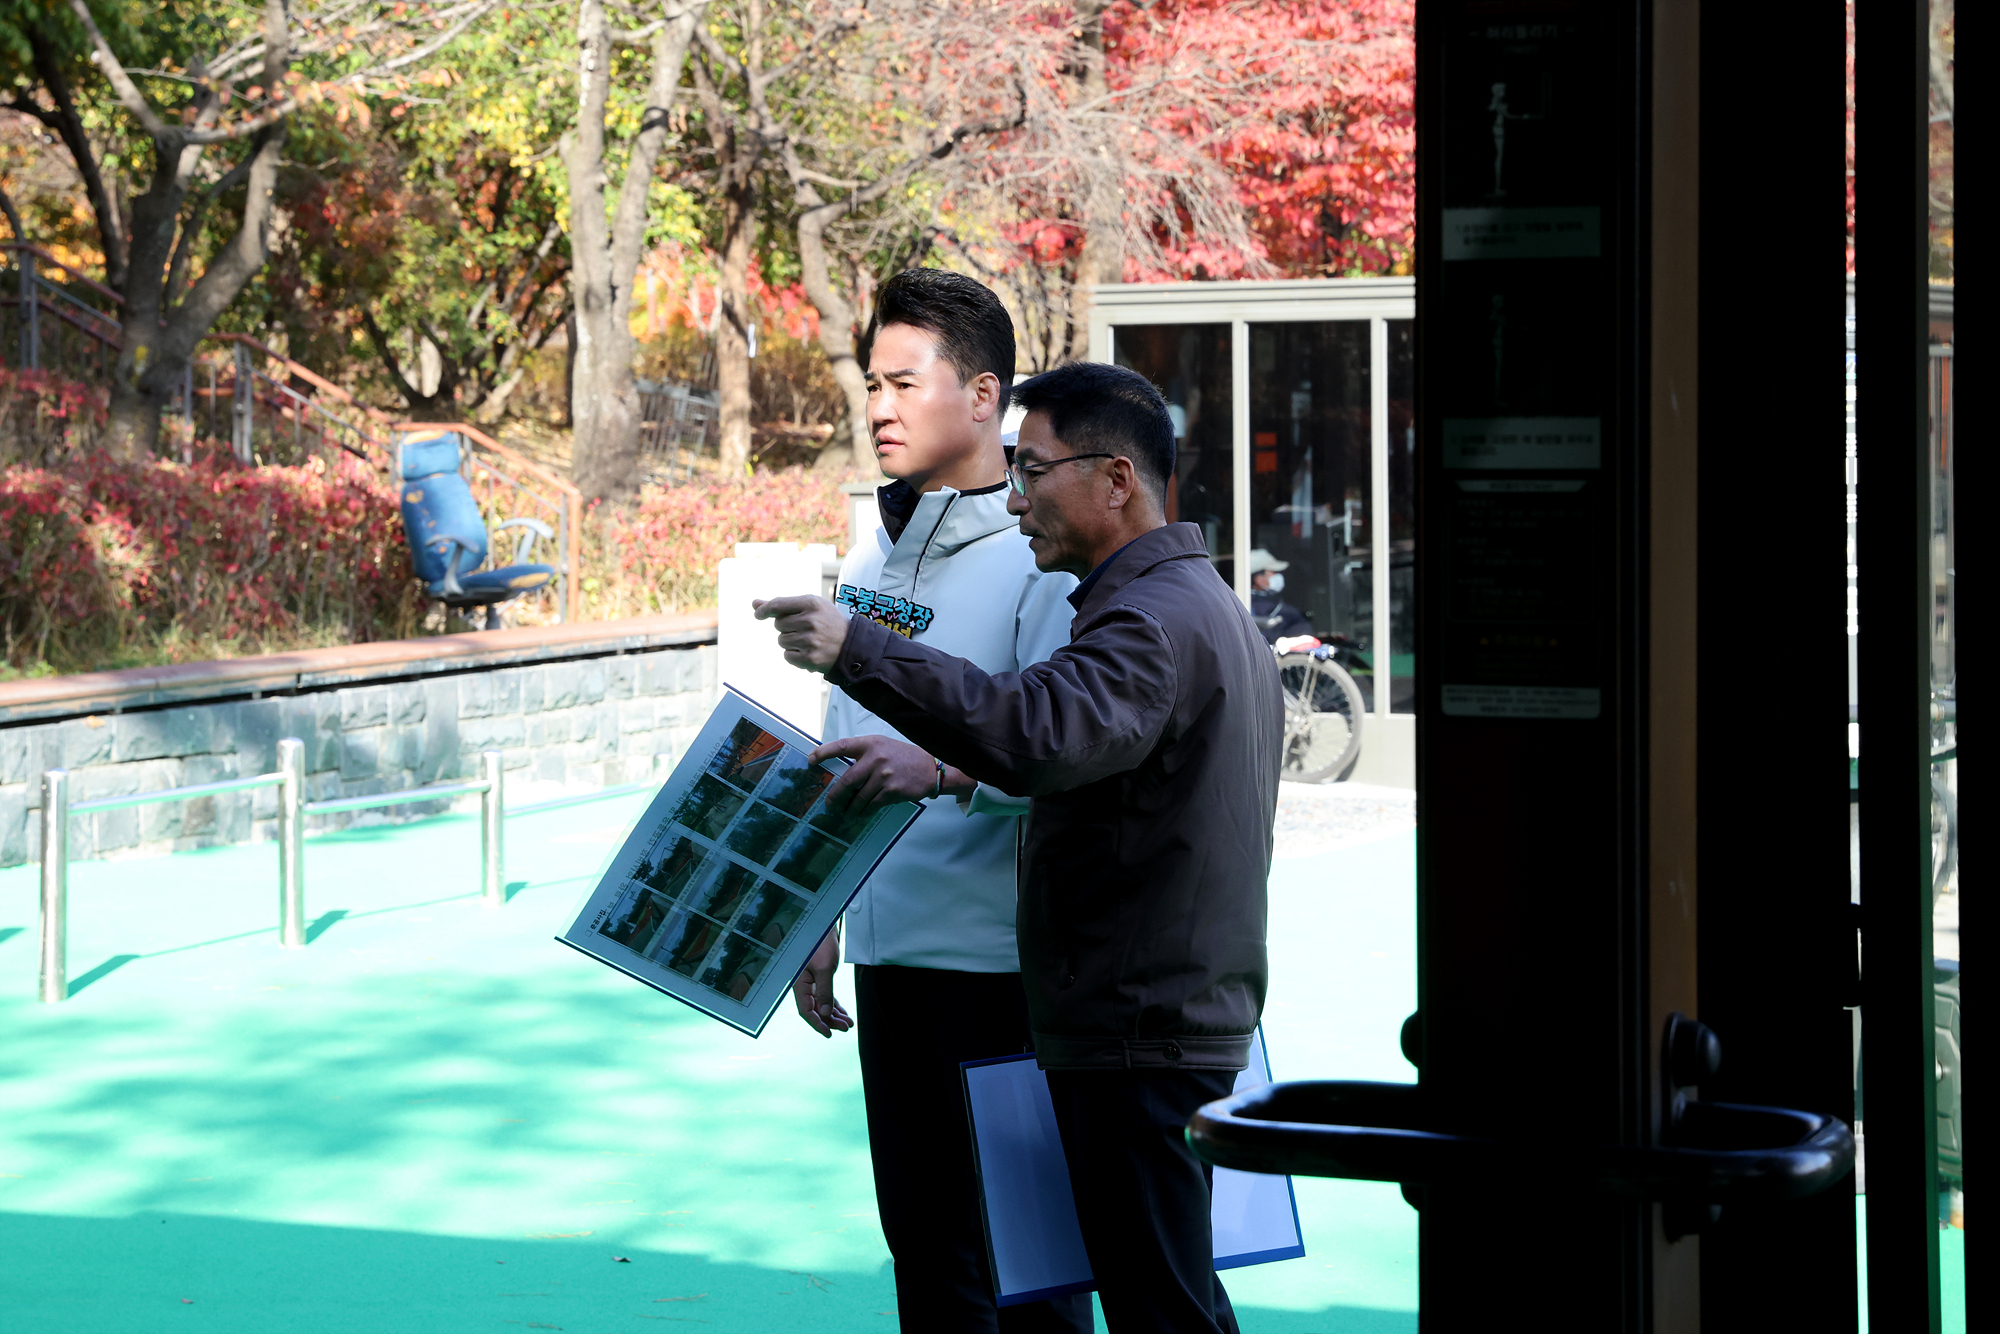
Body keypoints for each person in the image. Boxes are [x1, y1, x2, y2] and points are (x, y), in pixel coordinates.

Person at [756, 361, 1283, 1334]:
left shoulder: (1144, 624)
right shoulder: (1191, 606)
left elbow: (1032, 731)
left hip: (1138, 1034)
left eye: (1032, 472)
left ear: (1115, 478)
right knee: (1157, 1293)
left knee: (1159, 1308)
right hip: (1155, 1019)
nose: (1012, 497)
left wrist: (856, 648)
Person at [790, 269, 1090, 1333]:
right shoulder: (882, 548)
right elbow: (841, 745)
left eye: (903, 382)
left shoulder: (1043, 558)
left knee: (1035, 1277)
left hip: (1003, 982)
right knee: (926, 1263)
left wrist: (950, 771)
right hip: (894, 974)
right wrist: (815, 915)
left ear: (981, 395)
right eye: (871, 383)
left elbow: (1069, 753)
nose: (877, 407)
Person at [1247, 548, 1312, 644]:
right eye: (1273, 572)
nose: (1278, 575)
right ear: (1259, 579)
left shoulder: (1269, 600)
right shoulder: (1259, 604)